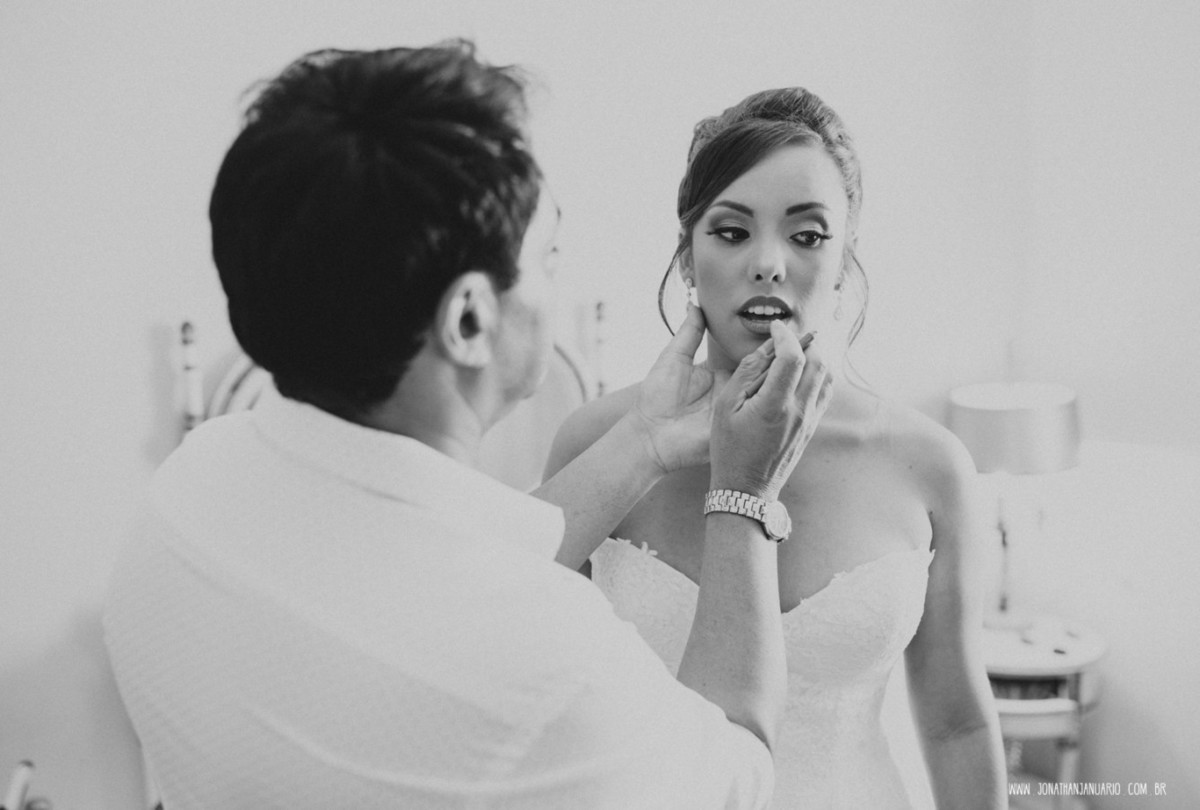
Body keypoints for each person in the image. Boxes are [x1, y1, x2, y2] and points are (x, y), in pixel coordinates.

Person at [103, 43, 834, 809]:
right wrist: (743, 495)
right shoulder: (555, 673)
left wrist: (644, 444)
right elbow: (735, 767)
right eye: (547, 256)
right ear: (470, 317)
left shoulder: (183, 496)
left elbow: (446, 573)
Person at [546, 88, 1008, 808]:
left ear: (845, 259)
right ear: (687, 258)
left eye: (807, 234)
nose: (768, 263)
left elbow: (956, 725)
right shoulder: (598, 442)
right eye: (731, 232)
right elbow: (535, 685)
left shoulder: (929, 464)